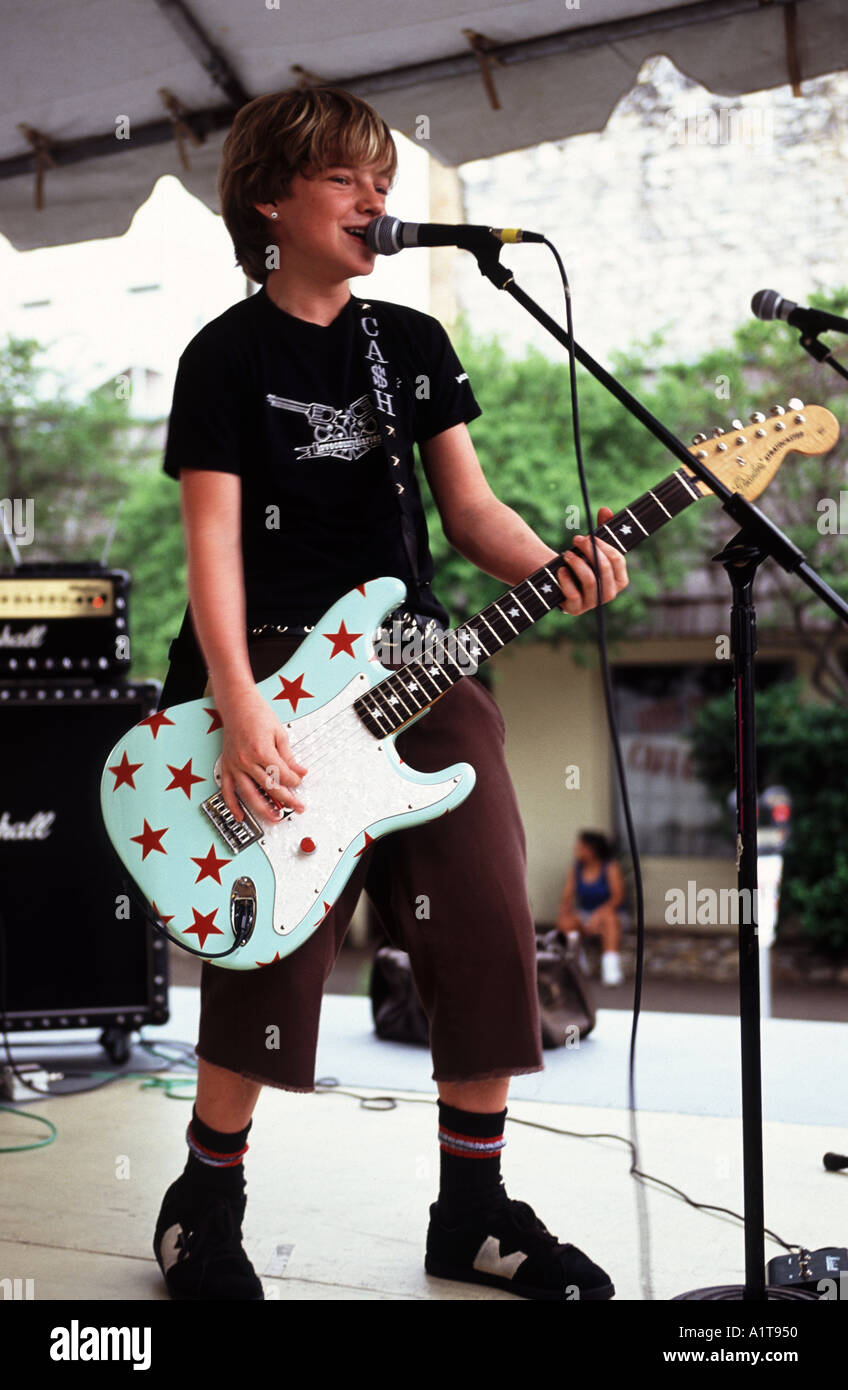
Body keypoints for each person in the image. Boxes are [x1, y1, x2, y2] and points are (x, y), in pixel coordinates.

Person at [153, 84, 630, 1303]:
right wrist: (242, 701)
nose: (378, 198)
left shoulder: (406, 343)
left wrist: (556, 566)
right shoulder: (224, 354)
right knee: (275, 929)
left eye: (382, 177)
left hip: (417, 664)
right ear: (272, 199)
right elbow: (211, 547)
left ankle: (471, 1208)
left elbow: (468, 512)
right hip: (265, 665)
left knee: (483, 918)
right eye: (345, 178)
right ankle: (207, 1198)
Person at [557, 831, 626, 986]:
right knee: (566, 923)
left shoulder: (610, 867)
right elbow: (567, 896)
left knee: (609, 920)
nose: (576, 849)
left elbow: (617, 897)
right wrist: (564, 912)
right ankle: (577, 965)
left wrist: (597, 917)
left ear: (591, 849)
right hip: (585, 914)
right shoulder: (576, 869)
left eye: (580, 846)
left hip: (610, 913)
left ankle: (610, 968)